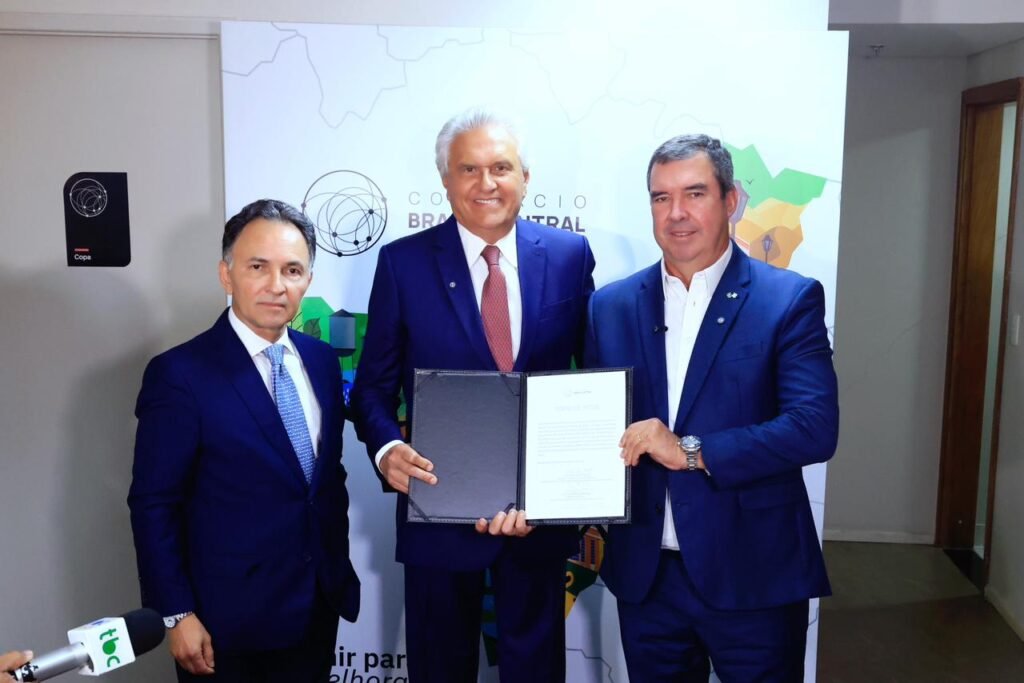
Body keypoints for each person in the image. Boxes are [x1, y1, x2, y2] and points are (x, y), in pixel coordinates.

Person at [351, 107, 595, 682]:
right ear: (445, 180)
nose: (487, 183)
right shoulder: (402, 264)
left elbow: (592, 383)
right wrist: (387, 450)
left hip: (538, 518)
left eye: (501, 167)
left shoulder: (570, 256)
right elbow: (371, 391)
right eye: (468, 169)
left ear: (525, 178)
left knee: (536, 672)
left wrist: (568, 488)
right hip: (438, 510)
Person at [585, 134, 839, 682]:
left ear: (731, 200)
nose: (676, 213)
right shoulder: (610, 306)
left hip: (755, 575)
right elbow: (590, 426)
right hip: (647, 580)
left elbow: (814, 428)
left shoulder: (788, 299)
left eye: (694, 194)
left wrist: (688, 451)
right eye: (661, 197)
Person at [128, 199, 360, 682]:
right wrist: (176, 613)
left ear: (308, 281)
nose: (277, 285)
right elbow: (154, 503)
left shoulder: (321, 361)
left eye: (292, 270)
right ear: (226, 274)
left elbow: (322, 479)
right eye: (258, 267)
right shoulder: (179, 374)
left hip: (317, 606)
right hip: (224, 624)